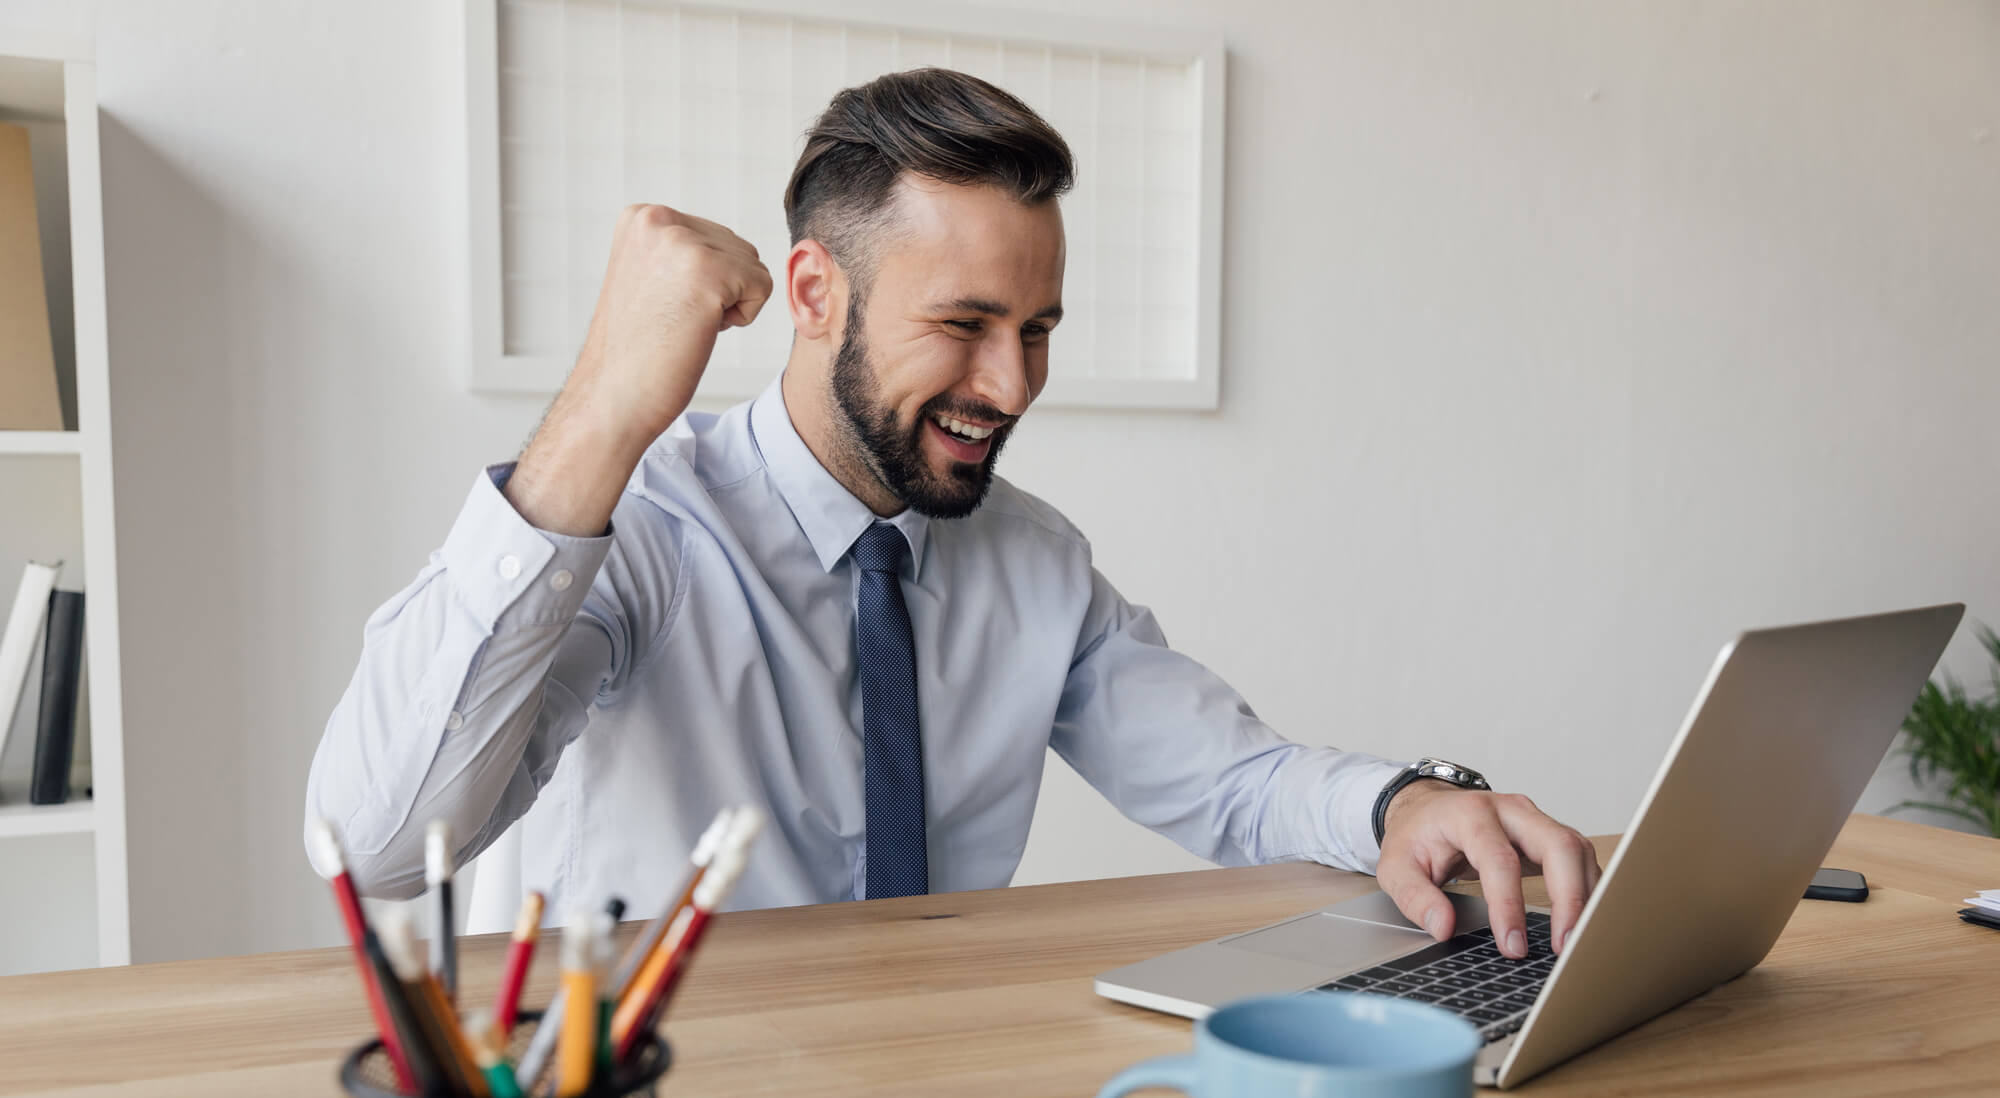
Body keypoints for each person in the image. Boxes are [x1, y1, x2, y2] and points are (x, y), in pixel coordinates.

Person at [305, 68, 1599, 960]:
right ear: (815, 292)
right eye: (965, 324)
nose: (1013, 383)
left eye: (1036, 330)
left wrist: (1403, 804)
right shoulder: (630, 528)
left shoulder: (1032, 566)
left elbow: (1238, 779)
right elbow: (374, 847)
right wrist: (598, 412)